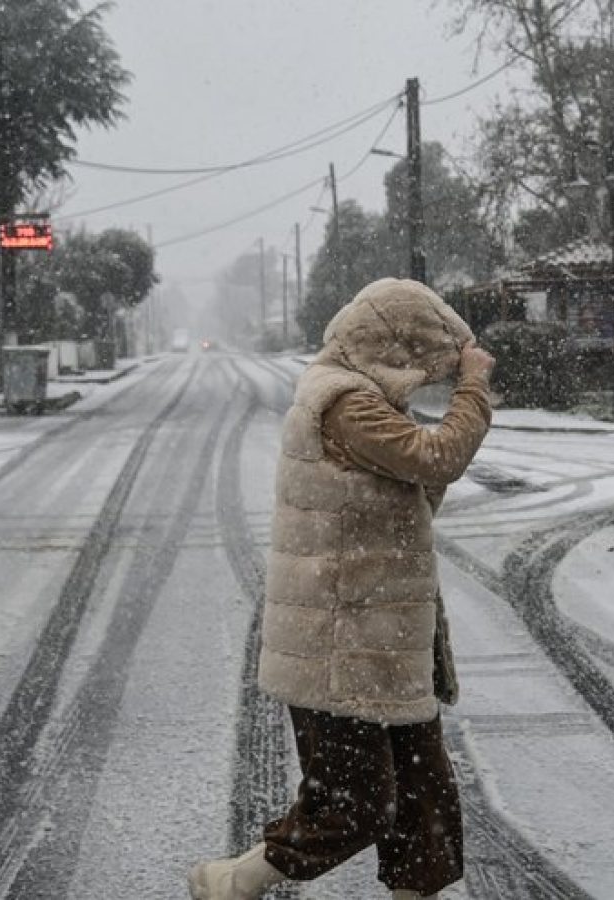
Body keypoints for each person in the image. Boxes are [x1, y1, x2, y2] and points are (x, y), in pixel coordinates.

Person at [189, 278, 494, 900]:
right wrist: (473, 387)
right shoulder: (344, 403)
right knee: (354, 802)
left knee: (424, 801)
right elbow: (435, 459)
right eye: (419, 357)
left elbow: (413, 493)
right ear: (390, 346)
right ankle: (234, 881)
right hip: (339, 646)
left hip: (383, 640)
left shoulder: (365, 398)